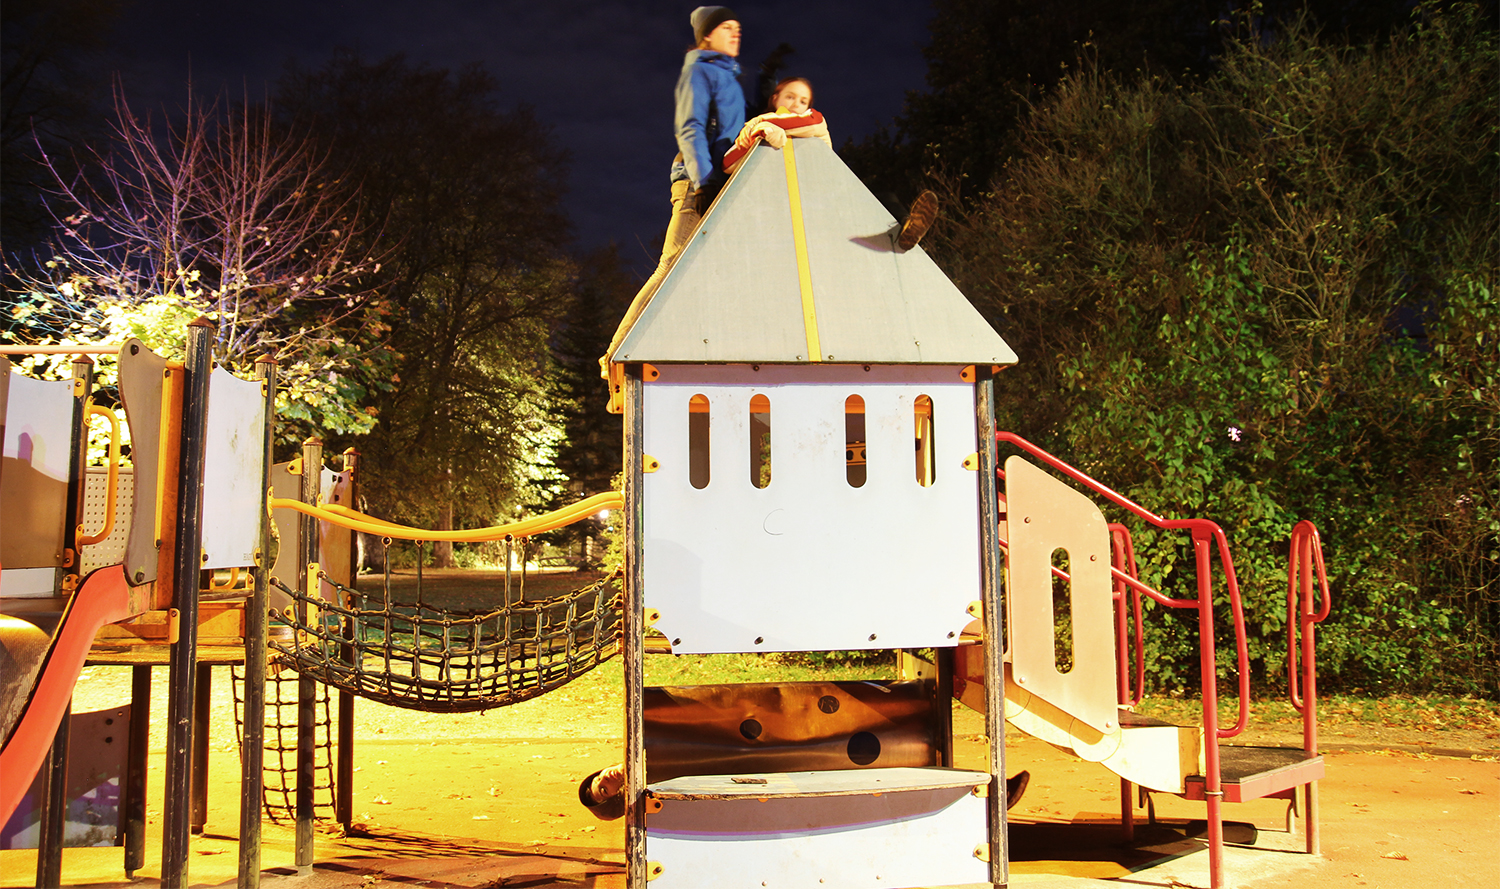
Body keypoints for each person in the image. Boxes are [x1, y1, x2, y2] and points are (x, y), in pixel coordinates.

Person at [600, 6, 746, 409]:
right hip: (699, 180)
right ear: (707, 36)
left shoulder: (725, 75)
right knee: (671, 266)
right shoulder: (699, 71)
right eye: (726, 28)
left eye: (737, 27)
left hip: (722, 180)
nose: (735, 33)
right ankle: (615, 357)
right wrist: (704, 181)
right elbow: (691, 128)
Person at [577, 764, 1030, 821]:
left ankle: (983, 801)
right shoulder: (652, 787)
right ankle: (982, 809)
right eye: (606, 788)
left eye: (600, 778)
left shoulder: (640, 750)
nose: (609, 776)